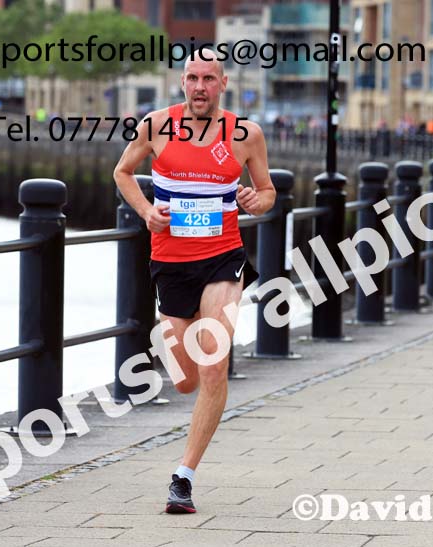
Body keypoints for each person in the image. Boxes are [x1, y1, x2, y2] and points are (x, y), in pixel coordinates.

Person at [113, 48, 276, 513]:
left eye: (208, 79)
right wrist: (146, 211)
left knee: (213, 363)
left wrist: (255, 200)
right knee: (184, 379)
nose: (199, 87)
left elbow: (267, 192)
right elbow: (122, 172)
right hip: (171, 261)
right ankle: (170, 343)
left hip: (223, 257)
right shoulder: (155, 126)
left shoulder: (246, 134)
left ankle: (183, 477)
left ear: (223, 84)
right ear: (182, 82)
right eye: (192, 78)